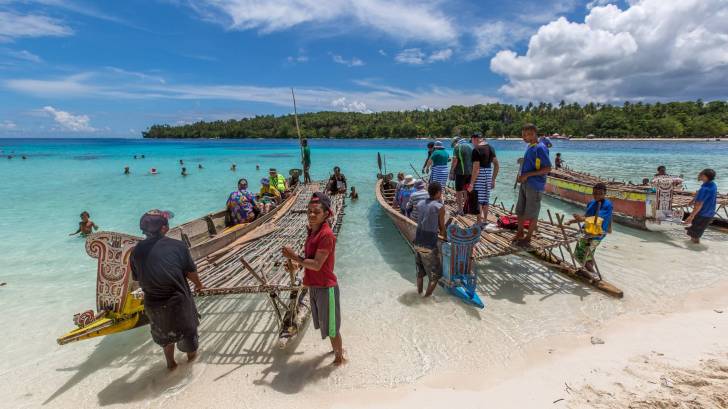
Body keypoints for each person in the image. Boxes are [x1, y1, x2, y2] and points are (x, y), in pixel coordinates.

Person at [130, 210, 204, 370]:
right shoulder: (178, 246)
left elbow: (137, 277)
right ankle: (190, 367)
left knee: (166, 338)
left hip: (154, 304)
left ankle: (171, 365)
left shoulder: (136, 252)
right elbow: (190, 272)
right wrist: (199, 284)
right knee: (189, 339)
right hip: (178, 302)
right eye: (166, 223)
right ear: (163, 228)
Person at [282, 192, 345, 366]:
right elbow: (310, 258)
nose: (311, 215)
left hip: (326, 287)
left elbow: (317, 264)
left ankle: (340, 359)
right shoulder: (312, 232)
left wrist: (294, 257)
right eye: (309, 211)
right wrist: (297, 265)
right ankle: (336, 352)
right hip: (314, 286)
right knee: (327, 324)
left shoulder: (326, 235)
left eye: (316, 212)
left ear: (326, 214)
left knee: (332, 328)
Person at [514, 124, 552, 244]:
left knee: (532, 213)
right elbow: (531, 164)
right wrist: (521, 175)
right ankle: (520, 232)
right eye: (523, 135)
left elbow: (547, 169)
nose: (524, 138)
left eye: (526, 135)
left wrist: (527, 175)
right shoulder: (531, 146)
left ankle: (528, 237)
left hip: (535, 185)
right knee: (520, 210)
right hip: (525, 183)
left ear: (534, 133)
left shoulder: (541, 148)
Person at [567, 183, 612, 274]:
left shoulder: (607, 205)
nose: (597, 195)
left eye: (600, 193)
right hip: (587, 232)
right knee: (589, 255)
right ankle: (590, 272)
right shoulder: (591, 203)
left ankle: (593, 275)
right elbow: (586, 216)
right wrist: (572, 221)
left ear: (605, 193)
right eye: (595, 193)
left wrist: (582, 218)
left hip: (596, 234)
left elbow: (598, 218)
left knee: (579, 255)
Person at [414, 182, 445, 296]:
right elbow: (442, 228)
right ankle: (425, 300)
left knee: (420, 274)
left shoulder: (420, 203)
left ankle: (419, 294)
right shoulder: (439, 207)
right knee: (435, 277)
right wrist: (444, 237)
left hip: (417, 242)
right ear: (438, 193)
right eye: (440, 191)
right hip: (429, 245)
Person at [468, 132, 499, 226]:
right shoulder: (491, 148)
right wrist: (493, 179)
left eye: (472, 141)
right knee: (486, 199)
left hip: (480, 176)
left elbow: (476, 169)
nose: (472, 143)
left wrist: (472, 183)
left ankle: (479, 222)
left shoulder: (476, 149)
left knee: (479, 200)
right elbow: (496, 165)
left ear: (474, 139)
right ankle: (485, 220)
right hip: (488, 174)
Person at [684, 169, 718, 244]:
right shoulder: (712, 184)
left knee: (695, 236)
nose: (699, 175)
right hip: (709, 213)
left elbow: (699, 204)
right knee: (695, 233)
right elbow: (699, 192)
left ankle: (694, 250)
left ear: (705, 177)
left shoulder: (705, 189)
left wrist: (691, 216)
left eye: (701, 174)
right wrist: (693, 200)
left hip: (702, 214)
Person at [450, 137, 473, 215]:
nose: (454, 146)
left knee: (459, 192)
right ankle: (466, 208)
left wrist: (451, 171)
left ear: (455, 142)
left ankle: (460, 210)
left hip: (460, 173)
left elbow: (455, 160)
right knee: (466, 190)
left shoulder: (457, 147)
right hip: (470, 172)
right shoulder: (471, 146)